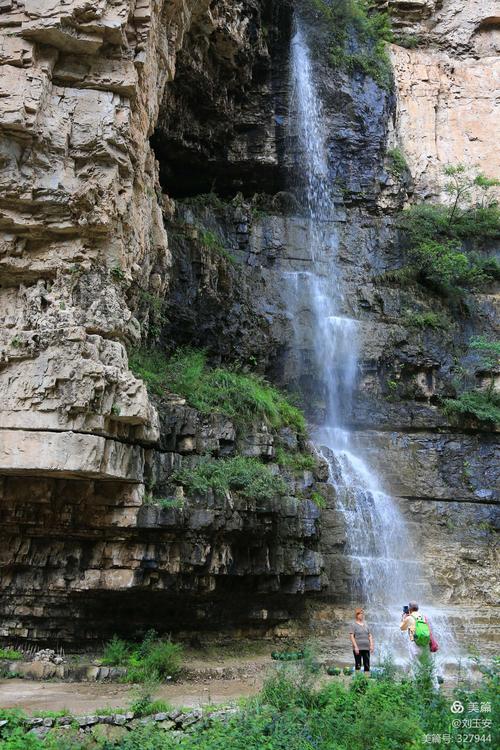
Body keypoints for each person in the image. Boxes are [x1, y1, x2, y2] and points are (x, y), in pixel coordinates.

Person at [349, 607, 374, 673]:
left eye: (362, 614)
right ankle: (358, 681)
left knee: (367, 665)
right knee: (358, 665)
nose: (362, 615)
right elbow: (352, 637)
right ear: (357, 615)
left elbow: (370, 635)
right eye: (360, 614)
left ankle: (366, 681)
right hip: (358, 648)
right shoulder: (353, 625)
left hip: (366, 648)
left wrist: (371, 645)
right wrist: (356, 647)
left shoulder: (366, 624)